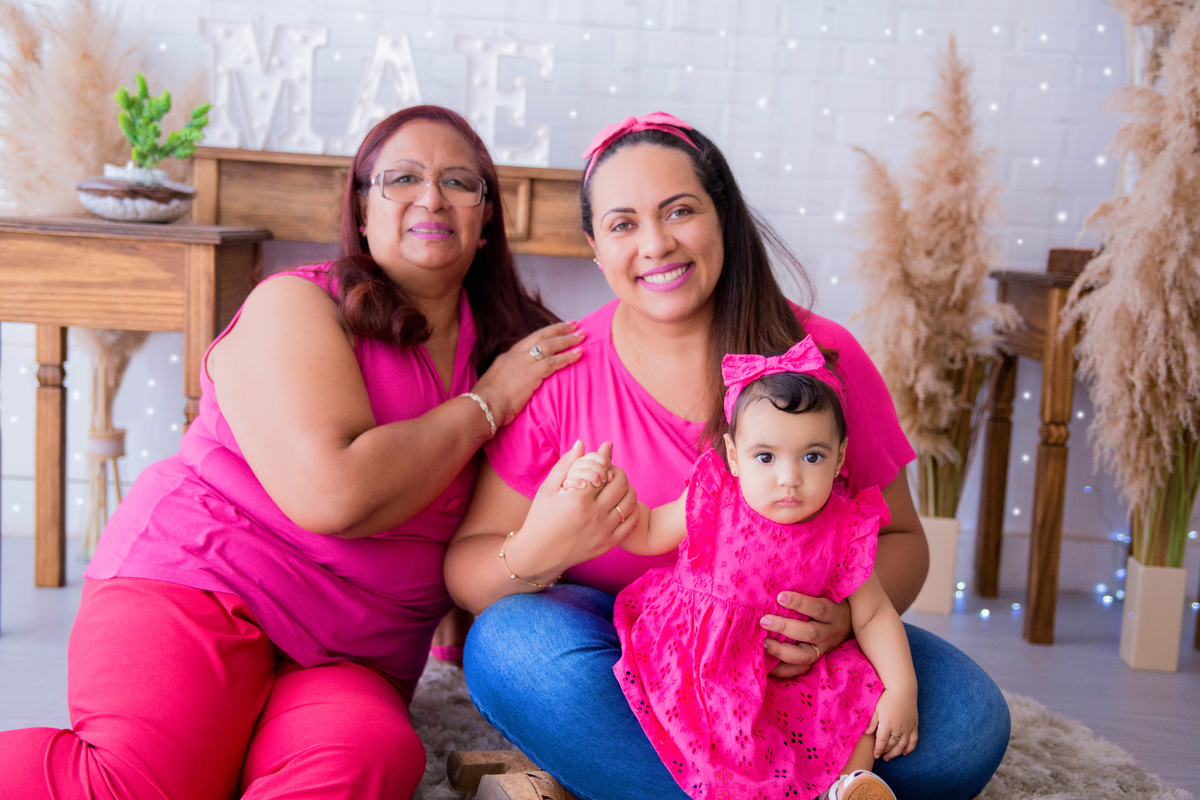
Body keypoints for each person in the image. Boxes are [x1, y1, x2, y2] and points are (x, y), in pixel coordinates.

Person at [0, 105, 581, 800]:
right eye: (401, 178)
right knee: (141, 784)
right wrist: (486, 405)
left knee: (365, 763)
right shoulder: (298, 304)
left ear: (486, 219)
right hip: (206, 585)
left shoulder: (518, 352)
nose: (431, 197)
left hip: (352, 656)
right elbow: (335, 495)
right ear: (362, 211)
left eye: (460, 182)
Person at [445, 112, 1009, 800]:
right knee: (513, 649)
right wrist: (540, 549)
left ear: (725, 218)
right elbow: (469, 568)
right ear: (595, 247)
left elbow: (901, 540)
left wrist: (840, 623)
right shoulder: (562, 372)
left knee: (968, 724)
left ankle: (599, 783)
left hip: (786, 674)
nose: (655, 243)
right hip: (626, 648)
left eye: (680, 210)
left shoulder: (819, 361)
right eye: (623, 224)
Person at [561, 338, 917, 800]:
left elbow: (873, 615)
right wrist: (607, 488)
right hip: (706, 660)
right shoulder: (715, 498)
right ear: (733, 455)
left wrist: (901, 690)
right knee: (710, 743)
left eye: (812, 456)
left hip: (793, 674)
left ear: (841, 457)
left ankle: (849, 786)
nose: (789, 477)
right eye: (765, 457)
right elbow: (646, 531)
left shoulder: (844, 530)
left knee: (858, 693)